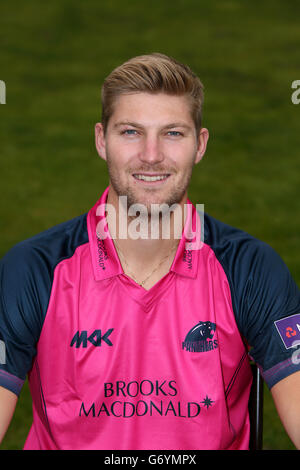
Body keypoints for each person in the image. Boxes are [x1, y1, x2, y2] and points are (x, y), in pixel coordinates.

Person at [0, 53, 299, 450]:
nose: (152, 154)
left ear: (200, 145)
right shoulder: (34, 269)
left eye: (173, 133)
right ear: (100, 141)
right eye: (130, 132)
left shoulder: (249, 269)